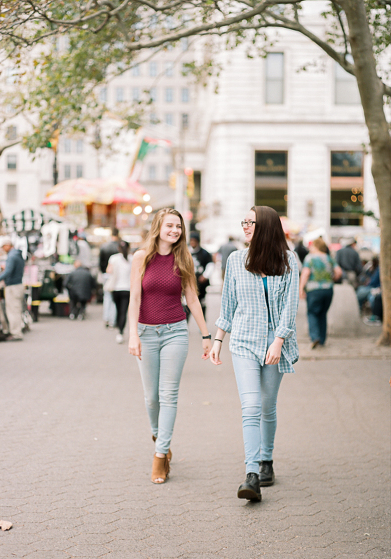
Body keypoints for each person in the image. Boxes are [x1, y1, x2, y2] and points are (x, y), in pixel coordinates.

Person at [210, 206, 300, 502]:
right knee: (250, 406)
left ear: (267, 227)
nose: (245, 226)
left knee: (267, 406)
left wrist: (279, 340)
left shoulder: (288, 261)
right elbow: (228, 304)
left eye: (251, 222)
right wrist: (218, 340)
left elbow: (289, 306)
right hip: (245, 343)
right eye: (244, 221)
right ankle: (251, 474)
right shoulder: (237, 260)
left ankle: (266, 461)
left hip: (276, 345)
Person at [128, 208, 212, 485]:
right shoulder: (141, 258)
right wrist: (133, 335)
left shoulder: (183, 257)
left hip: (176, 331)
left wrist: (206, 335)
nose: (175, 231)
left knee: (168, 395)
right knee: (151, 397)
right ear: (158, 227)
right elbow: (135, 300)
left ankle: (160, 454)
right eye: (170, 226)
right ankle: (159, 435)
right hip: (146, 333)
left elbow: (192, 298)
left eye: (179, 227)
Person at [301, 238, 342, 349]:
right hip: (328, 289)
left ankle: (315, 337)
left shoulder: (310, 258)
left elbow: (305, 273)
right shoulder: (329, 258)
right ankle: (322, 340)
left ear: (315, 246)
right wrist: (331, 279)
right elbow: (339, 272)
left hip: (314, 289)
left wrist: (301, 289)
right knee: (323, 314)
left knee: (312, 313)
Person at [0, 236, 26, 341]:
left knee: (13, 310)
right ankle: (16, 331)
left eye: (3, 247)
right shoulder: (18, 255)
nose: (2, 249)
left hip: (13, 286)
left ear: (8, 245)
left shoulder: (12, 256)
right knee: (16, 309)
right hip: (18, 285)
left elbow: (8, 272)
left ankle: (16, 333)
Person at [106, 241, 132, 343]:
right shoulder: (132, 258)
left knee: (117, 309)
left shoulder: (113, 258)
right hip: (127, 289)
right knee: (123, 311)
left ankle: (118, 327)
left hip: (116, 289)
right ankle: (120, 331)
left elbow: (108, 271)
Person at [188, 232, 213, 321]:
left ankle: (202, 321)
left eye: (194, 241)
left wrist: (205, 275)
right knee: (187, 303)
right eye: (191, 241)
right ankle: (185, 324)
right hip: (189, 282)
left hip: (200, 283)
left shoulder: (204, 253)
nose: (193, 243)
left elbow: (210, 265)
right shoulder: (186, 251)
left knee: (201, 302)